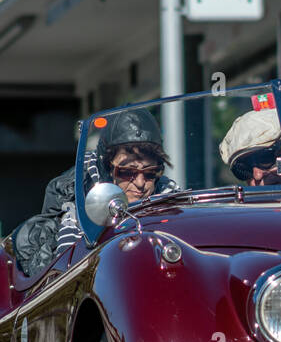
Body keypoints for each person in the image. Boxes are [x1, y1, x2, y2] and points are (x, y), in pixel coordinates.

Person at [12, 108, 177, 277]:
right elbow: (73, 276)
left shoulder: (170, 197)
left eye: (150, 173)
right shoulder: (79, 209)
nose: (140, 183)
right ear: (107, 168)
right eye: (127, 172)